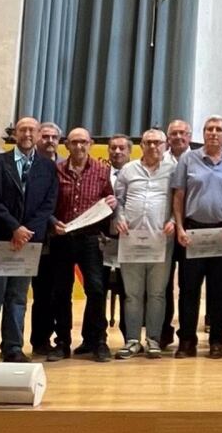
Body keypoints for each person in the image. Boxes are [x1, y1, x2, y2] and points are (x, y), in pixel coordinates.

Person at [0, 117, 58, 369]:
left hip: (29, 241)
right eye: (23, 129)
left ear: (39, 134)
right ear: (15, 134)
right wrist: (13, 228)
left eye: (32, 129)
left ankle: (13, 348)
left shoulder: (48, 167)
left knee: (18, 298)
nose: (28, 133)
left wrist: (26, 231)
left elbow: (48, 204)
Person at [172, 116, 222, 359]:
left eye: (218, 130)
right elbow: (179, 196)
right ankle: (186, 341)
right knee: (189, 290)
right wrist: (180, 227)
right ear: (203, 133)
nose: (213, 133)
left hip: (221, 233)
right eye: (209, 129)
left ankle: (216, 339)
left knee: (219, 290)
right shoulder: (188, 158)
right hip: (192, 232)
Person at [46, 127, 115, 362]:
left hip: (90, 238)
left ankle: (99, 341)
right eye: (74, 142)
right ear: (66, 145)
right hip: (62, 238)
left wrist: (111, 204)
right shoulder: (55, 171)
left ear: (91, 143)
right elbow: (47, 203)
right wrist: (53, 222)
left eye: (83, 142)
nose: (79, 146)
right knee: (60, 292)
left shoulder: (102, 170)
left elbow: (108, 202)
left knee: (96, 289)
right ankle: (62, 342)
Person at [112, 129, 176, 359]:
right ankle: (131, 340)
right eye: (148, 143)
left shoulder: (173, 170)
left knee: (157, 293)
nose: (152, 147)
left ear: (165, 145)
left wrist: (173, 220)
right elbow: (117, 199)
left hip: (161, 240)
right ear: (141, 145)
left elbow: (180, 200)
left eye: (157, 143)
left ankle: (153, 340)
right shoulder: (128, 170)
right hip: (131, 241)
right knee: (132, 294)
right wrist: (118, 217)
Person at [29, 120, 64, 356]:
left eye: (54, 137)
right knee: (38, 292)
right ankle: (37, 340)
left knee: (54, 292)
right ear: (37, 137)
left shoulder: (64, 166)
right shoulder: (28, 165)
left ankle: (51, 339)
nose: (49, 140)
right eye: (45, 136)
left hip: (61, 240)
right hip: (34, 235)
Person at [160, 118, 192, 347]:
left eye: (182, 133)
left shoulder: (198, 159)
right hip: (165, 231)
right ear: (167, 137)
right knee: (163, 283)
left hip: (194, 230)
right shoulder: (159, 160)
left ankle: (187, 334)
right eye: (174, 133)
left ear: (189, 136)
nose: (178, 137)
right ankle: (163, 330)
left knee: (189, 285)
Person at [102, 133, 132, 336]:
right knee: (97, 290)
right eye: (113, 148)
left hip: (131, 240)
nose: (117, 151)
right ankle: (96, 338)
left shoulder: (138, 174)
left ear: (130, 151)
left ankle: (129, 336)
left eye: (122, 148)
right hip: (103, 240)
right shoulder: (99, 173)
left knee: (129, 292)